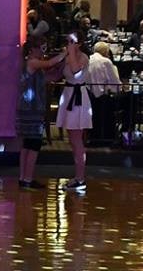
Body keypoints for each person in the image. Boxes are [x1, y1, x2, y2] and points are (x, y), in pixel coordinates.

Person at [17, 39, 64, 189]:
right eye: (40, 48)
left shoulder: (34, 66)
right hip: (31, 108)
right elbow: (49, 63)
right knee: (34, 143)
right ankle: (27, 179)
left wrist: (62, 67)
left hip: (29, 107)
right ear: (32, 50)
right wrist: (65, 53)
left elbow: (52, 76)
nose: (42, 51)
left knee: (28, 144)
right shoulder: (31, 62)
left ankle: (23, 178)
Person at [53, 34, 93, 194]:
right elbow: (58, 73)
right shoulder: (67, 56)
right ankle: (78, 176)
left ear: (79, 44)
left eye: (72, 42)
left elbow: (76, 71)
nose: (69, 44)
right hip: (69, 95)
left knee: (77, 140)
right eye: (68, 41)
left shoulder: (83, 57)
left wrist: (70, 53)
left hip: (78, 99)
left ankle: (80, 178)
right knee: (72, 139)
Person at [86, 40, 123, 145]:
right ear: (105, 52)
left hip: (89, 96)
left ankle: (92, 137)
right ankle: (113, 137)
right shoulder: (106, 61)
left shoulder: (87, 59)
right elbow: (115, 83)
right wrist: (119, 88)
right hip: (103, 98)